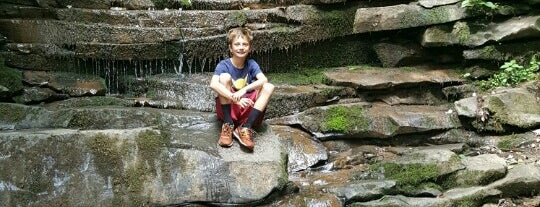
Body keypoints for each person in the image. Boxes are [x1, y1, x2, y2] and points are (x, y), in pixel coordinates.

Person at [209, 27, 274, 151]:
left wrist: (243, 90)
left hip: (247, 108)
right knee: (224, 78)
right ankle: (228, 124)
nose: (241, 47)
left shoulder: (251, 64)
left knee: (268, 86)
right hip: (230, 107)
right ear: (230, 48)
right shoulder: (224, 65)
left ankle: (245, 127)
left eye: (245, 44)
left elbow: (263, 80)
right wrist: (234, 98)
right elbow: (213, 84)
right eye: (237, 44)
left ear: (249, 48)